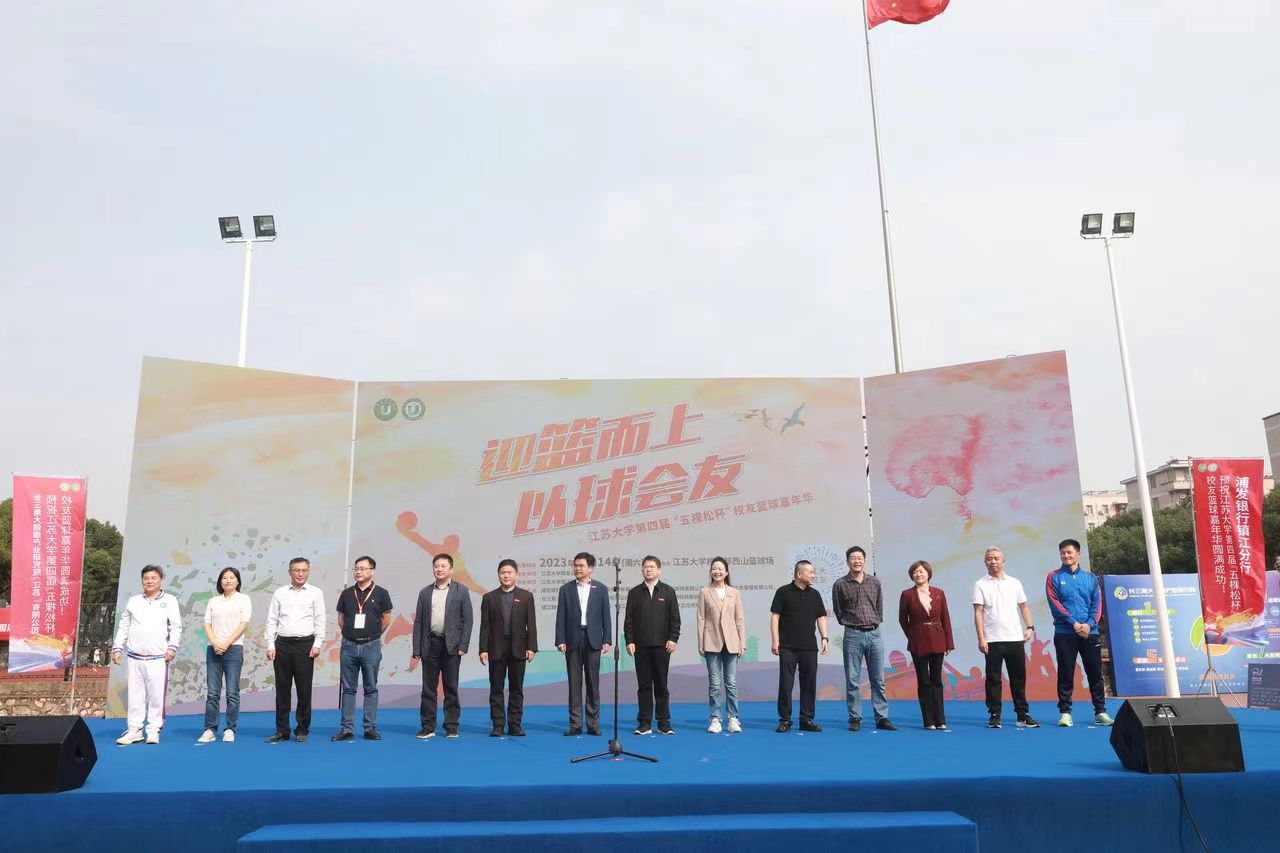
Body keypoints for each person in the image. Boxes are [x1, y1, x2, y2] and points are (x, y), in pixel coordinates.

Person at [112, 565, 182, 745]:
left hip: (158, 657)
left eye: (153, 578)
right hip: (135, 657)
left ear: (161, 580)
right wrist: (117, 647)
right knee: (135, 696)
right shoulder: (134, 601)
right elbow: (124, 625)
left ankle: (153, 730)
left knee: (156, 696)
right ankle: (134, 730)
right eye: (146, 578)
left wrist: (172, 647)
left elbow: (176, 626)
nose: (149, 581)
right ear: (142, 580)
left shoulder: (170, 600)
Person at [1046, 539, 1111, 727]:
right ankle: (1065, 713)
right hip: (1065, 632)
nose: (1066, 556)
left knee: (1095, 673)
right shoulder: (1053, 576)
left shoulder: (1090, 578)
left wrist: (1089, 625)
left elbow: (1097, 604)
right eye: (1063, 553)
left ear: (1078, 554)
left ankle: (1100, 712)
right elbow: (1055, 603)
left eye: (1069, 552)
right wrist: (1074, 623)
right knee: (1065, 673)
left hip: (1090, 633)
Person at [972, 547, 1039, 729]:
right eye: (989, 559)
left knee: (1018, 679)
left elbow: (1023, 606)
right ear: (985, 562)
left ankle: (1022, 715)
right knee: (993, 679)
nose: (993, 561)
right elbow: (978, 612)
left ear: (1003, 561)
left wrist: (1029, 627)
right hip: (992, 640)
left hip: (1015, 638)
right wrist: (981, 638)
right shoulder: (980, 584)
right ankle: (994, 715)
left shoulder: (1014, 583)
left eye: (996, 558)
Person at [832, 546, 896, 731]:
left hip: (875, 634)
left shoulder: (874, 582)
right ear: (847, 561)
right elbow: (838, 610)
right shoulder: (840, 584)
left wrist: (873, 622)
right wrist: (851, 623)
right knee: (853, 679)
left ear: (864, 560)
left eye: (860, 558)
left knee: (878, 679)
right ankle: (855, 718)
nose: (857, 561)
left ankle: (882, 717)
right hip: (852, 634)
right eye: (853, 558)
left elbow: (879, 606)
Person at [264, 557, 326, 743]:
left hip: (305, 645)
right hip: (282, 645)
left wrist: (317, 643)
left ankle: (302, 729)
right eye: (297, 570)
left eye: (304, 570)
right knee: (282, 690)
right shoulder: (280, 593)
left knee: (304, 690)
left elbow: (320, 619)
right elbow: (272, 620)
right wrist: (270, 644)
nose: (300, 574)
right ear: (290, 572)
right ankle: (282, 731)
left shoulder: (316, 593)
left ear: (308, 572)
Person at [412, 552, 473, 739]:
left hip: (452, 646)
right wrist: (416, 649)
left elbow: (468, 620)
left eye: (443, 566)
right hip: (430, 644)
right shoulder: (425, 592)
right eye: (436, 566)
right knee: (428, 689)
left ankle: (451, 726)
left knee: (451, 687)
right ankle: (428, 726)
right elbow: (419, 622)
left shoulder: (461, 591)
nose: (439, 569)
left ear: (451, 569)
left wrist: (463, 645)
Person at [332, 555, 393, 741]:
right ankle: (346, 728)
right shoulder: (347, 593)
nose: (358, 572)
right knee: (348, 689)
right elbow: (341, 617)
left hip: (371, 645)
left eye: (363, 568)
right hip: (349, 646)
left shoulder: (381, 593)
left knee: (370, 688)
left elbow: (386, 618)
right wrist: (350, 633)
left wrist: (373, 635)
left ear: (372, 571)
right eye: (356, 568)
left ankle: (369, 728)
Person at [479, 559, 538, 737]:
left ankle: (515, 725)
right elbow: (485, 626)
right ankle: (498, 725)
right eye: (503, 572)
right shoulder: (489, 598)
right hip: (496, 648)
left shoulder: (526, 596)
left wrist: (531, 647)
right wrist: (483, 649)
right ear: (498, 575)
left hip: (518, 648)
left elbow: (531, 625)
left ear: (516, 574)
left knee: (516, 689)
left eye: (509, 572)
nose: (506, 575)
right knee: (496, 688)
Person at [554, 551, 611, 736]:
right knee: (574, 683)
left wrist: (607, 639)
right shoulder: (566, 589)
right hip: (573, 638)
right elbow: (560, 617)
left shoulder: (601, 589)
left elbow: (606, 616)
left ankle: (593, 724)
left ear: (590, 568)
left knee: (593, 683)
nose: (577, 568)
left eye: (581, 565)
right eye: (576, 565)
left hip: (593, 639)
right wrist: (560, 640)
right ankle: (575, 724)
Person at [625, 555, 681, 735]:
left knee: (661, 685)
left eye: (651, 567)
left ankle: (664, 722)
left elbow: (675, 619)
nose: (648, 570)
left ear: (659, 570)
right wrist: (629, 641)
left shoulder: (668, 591)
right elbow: (629, 621)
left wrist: (673, 638)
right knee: (644, 686)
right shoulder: (634, 592)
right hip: (641, 646)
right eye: (645, 567)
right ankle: (644, 723)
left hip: (662, 646)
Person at [771, 559, 829, 733]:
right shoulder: (783, 592)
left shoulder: (815, 594)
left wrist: (824, 637)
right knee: (786, 684)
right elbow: (775, 617)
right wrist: (775, 640)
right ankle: (785, 720)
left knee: (809, 684)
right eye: (810, 572)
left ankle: (806, 719)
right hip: (787, 647)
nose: (813, 575)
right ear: (799, 574)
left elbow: (821, 616)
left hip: (809, 647)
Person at [897, 560, 954, 730]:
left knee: (937, 680)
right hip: (918, 642)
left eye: (921, 571)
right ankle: (929, 721)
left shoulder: (939, 593)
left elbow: (945, 618)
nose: (918, 574)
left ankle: (940, 720)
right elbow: (903, 619)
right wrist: (913, 635)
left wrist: (948, 642)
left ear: (928, 573)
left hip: (938, 640)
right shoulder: (907, 594)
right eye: (915, 572)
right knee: (924, 681)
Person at [198, 567, 251, 744]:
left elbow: (244, 623)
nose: (228, 580)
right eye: (225, 578)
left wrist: (226, 643)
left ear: (238, 581)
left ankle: (230, 729)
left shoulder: (243, 599)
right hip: (213, 649)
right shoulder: (214, 601)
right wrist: (215, 642)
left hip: (233, 648)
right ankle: (210, 729)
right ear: (220, 581)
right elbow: (206, 623)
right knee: (213, 692)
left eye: (232, 577)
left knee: (232, 692)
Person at [697, 556, 745, 734]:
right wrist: (701, 642)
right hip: (711, 641)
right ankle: (715, 718)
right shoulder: (704, 592)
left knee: (731, 682)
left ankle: (733, 718)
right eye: (714, 569)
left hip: (731, 642)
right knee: (715, 684)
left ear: (726, 572)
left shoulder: (734, 592)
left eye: (720, 569)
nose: (717, 571)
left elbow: (739, 619)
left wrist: (742, 643)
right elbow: (701, 619)